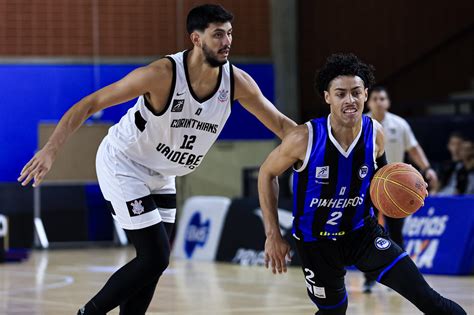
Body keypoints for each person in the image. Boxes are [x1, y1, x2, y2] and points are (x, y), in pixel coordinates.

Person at [18, 4, 296, 315]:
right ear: (196, 38)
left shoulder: (237, 82)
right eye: (218, 35)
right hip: (123, 163)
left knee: (151, 266)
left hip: (163, 174)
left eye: (230, 34)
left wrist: (317, 145)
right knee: (155, 256)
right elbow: (91, 102)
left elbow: (283, 126)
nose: (227, 41)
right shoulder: (162, 75)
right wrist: (51, 150)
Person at [258, 53, 466, 315]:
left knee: (429, 299)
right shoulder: (304, 138)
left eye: (356, 92)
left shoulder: (376, 133)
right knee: (334, 311)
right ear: (327, 97)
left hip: (362, 234)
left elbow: (384, 182)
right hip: (316, 242)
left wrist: (405, 192)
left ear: (365, 94)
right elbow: (266, 173)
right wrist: (273, 234)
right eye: (341, 93)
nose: (350, 100)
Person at [364, 86, 439, 292]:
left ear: (387, 102)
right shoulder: (362, 124)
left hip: (396, 191)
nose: (379, 102)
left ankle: (399, 278)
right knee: (366, 233)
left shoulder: (400, 124)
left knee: (396, 233)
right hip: (368, 185)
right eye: (375, 98)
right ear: (369, 102)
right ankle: (369, 278)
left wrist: (427, 168)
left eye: (383, 98)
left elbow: (414, 149)